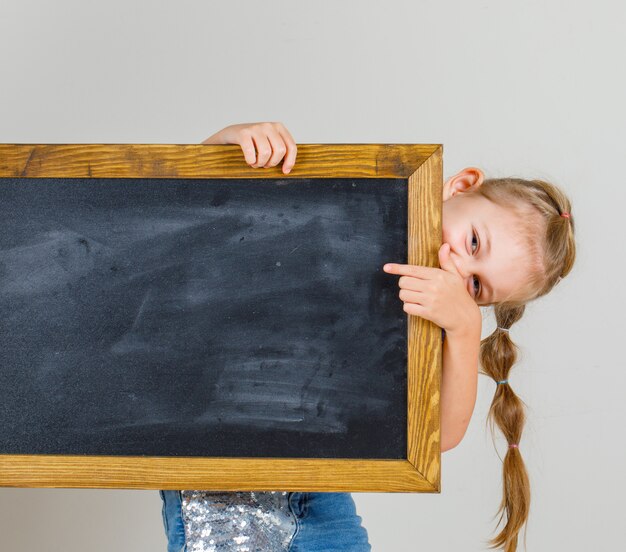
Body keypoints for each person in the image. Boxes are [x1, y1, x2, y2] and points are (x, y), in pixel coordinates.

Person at [159, 122, 576, 552]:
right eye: (472, 242)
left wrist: (465, 327)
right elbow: (175, 219)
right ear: (461, 186)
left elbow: (441, 435)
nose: (456, 270)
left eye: (476, 287)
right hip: (219, 498)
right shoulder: (339, 211)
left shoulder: (432, 314)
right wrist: (227, 143)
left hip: (322, 498)